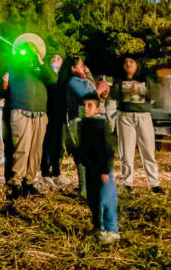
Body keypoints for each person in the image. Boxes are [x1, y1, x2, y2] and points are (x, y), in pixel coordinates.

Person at [6, 40, 57, 199]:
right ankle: (16, 182)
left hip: (40, 113)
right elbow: (16, 73)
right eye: (26, 50)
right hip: (21, 110)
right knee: (22, 147)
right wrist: (23, 57)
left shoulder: (40, 68)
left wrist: (39, 61)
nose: (29, 52)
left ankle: (29, 181)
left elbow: (53, 79)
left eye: (33, 50)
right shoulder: (16, 66)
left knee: (36, 150)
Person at [112, 55, 162, 193]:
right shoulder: (119, 79)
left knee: (148, 150)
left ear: (137, 64)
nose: (128, 64)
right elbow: (114, 94)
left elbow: (155, 95)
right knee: (126, 151)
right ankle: (127, 183)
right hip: (125, 116)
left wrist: (140, 89)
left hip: (143, 116)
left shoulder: (145, 79)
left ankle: (154, 183)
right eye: (126, 62)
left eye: (131, 61)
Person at [75, 93, 120, 245]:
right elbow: (84, 146)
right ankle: (98, 226)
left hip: (102, 169)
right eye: (85, 105)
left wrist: (106, 170)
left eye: (90, 106)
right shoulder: (84, 124)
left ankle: (112, 230)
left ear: (97, 108)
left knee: (106, 199)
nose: (86, 108)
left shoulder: (102, 125)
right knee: (93, 198)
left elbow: (107, 149)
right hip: (90, 168)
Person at [63, 55, 98, 197]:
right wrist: (100, 90)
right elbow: (90, 95)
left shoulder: (83, 78)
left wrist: (88, 74)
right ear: (72, 68)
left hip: (87, 120)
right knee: (82, 154)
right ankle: (83, 189)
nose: (83, 66)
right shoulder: (74, 81)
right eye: (80, 64)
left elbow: (92, 89)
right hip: (78, 120)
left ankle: (88, 188)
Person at [40, 54, 67, 189]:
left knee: (58, 143)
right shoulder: (46, 75)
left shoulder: (64, 78)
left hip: (59, 114)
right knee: (46, 143)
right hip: (47, 112)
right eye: (53, 57)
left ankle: (56, 171)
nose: (55, 59)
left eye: (58, 58)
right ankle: (45, 172)